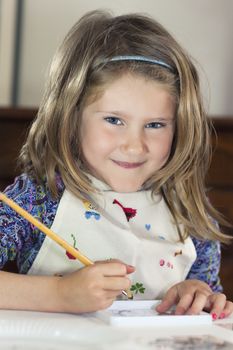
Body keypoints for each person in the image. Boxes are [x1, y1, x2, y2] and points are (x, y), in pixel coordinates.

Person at [0, 10, 232, 319]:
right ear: (71, 118)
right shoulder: (38, 199)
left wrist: (196, 294)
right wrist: (59, 294)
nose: (135, 145)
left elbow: (208, 297)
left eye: (156, 125)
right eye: (114, 120)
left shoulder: (189, 210)